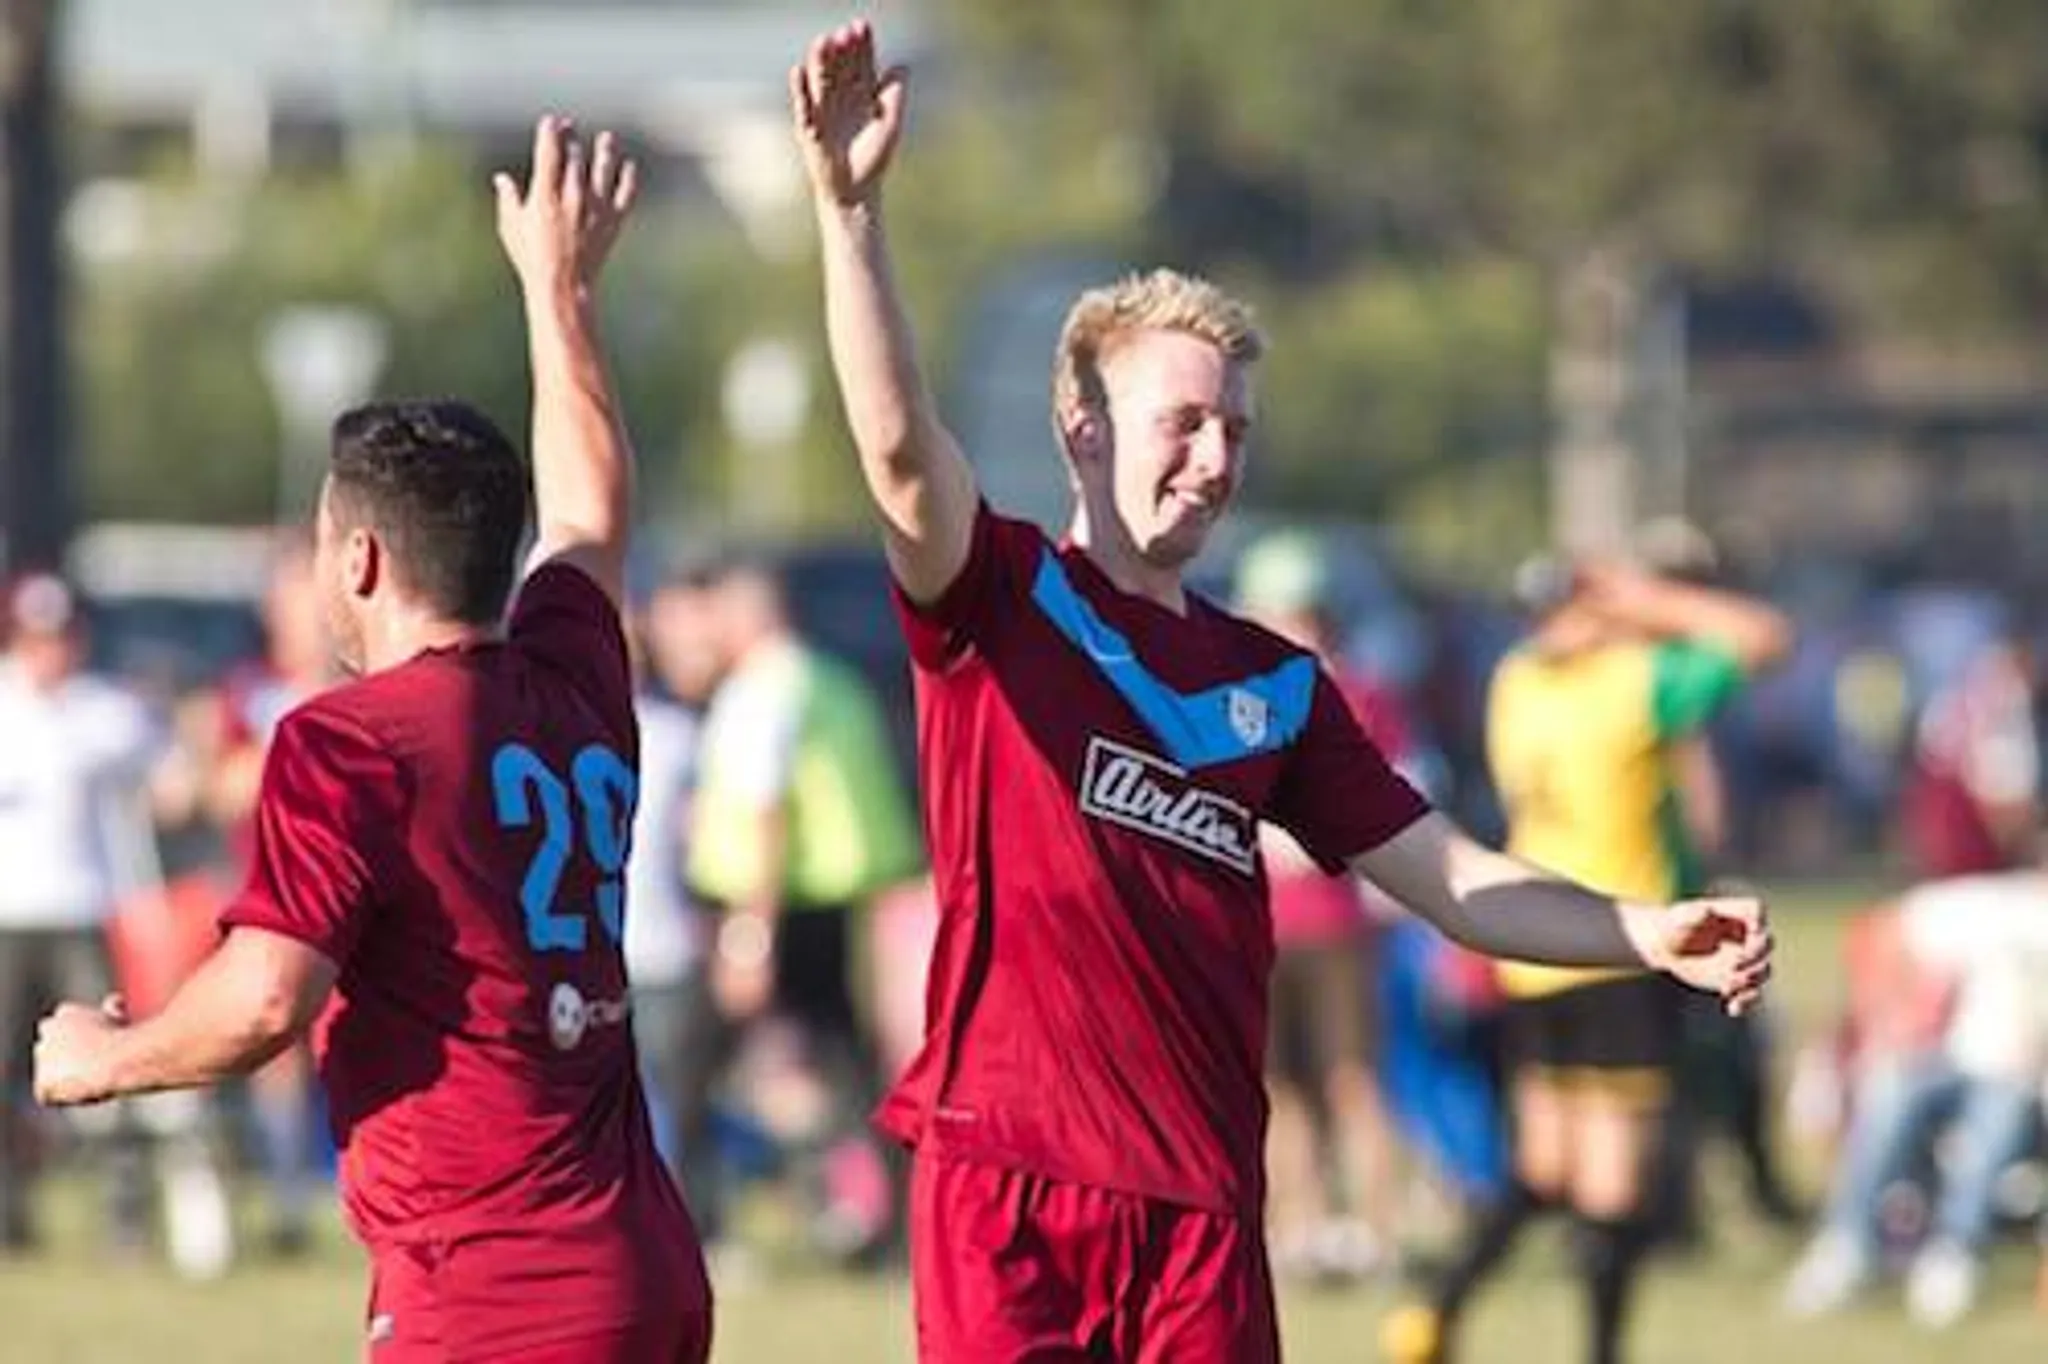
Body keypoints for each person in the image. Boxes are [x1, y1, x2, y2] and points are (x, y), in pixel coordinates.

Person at [791, 21, 1772, 1363]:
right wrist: (851, 219)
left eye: (1235, 430)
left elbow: (1450, 879)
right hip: (1010, 1188)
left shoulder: (1277, 685)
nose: (1213, 458)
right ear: (1082, 428)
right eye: (1182, 421)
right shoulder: (1000, 600)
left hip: (1202, 1213)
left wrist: (1644, 930)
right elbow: (902, 454)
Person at [33, 117, 710, 1363]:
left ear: (358, 556)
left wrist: (100, 1058)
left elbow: (263, 1001)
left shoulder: (347, 741)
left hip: (494, 1288)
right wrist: (560, 295)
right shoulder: (573, 674)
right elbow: (593, 511)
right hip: (645, 1262)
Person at [1384, 556, 1792, 1364]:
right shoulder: (1635, 683)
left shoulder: (1516, 681)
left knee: (1544, 1166)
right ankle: (1601, 1352)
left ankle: (1438, 1303)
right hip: (1622, 943)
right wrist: (1654, 601)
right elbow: (1765, 637)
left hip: (1532, 948)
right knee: (1613, 1186)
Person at [682, 555, 922, 1263]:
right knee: (852, 1073)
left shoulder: (762, 692)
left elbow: (766, 812)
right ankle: (894, 1227)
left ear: (748, 616)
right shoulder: (829, 680)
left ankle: (702, 1225)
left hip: (776, 905)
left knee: (694, 1063)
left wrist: (749, 936)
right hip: (835, 901)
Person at [1233, 528, 1417, 1280]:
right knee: (1276, 1086)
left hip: (1337, 924)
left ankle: (1375, 1229)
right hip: (1261, 922)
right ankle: (1301, 1225)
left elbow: (1403, 796)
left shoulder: (1361, 697)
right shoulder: (1238, 692)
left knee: (1351, 1080)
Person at [1783, 872, 2048, 1329]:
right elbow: (1885, 931)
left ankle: (1955, 1251)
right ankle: (1847, 1245)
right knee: (1893, 1093)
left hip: (2022, 1078)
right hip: (1943, 1061)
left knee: (2001, 1112)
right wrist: (1894, 1014)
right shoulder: (1993, 902)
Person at [0, 572, 163, 1257]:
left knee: (107, 1060)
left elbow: (166, 770)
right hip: (8, 915)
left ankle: (123, 1212)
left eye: (60, 637)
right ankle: (10, 1212)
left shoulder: (103, 712)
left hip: (79, 911)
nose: (50, 652)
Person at [208, 535, 332, 1256]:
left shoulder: (365, 682)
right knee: (276, 1050)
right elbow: (223, 786)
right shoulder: (251, 688)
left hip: (355, 902)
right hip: (274, 895)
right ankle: (284, 1192)